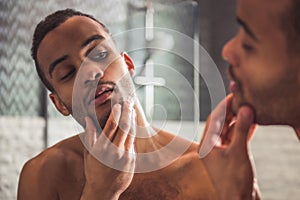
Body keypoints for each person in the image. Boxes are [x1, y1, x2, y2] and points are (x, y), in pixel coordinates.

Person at [17, 8, 259, 200]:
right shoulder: (43, 175)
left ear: (128, 65)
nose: (89, 73)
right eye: (68, 73)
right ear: (60, 104)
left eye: (99, 54)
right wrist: (99, 194)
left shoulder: (206, 167)